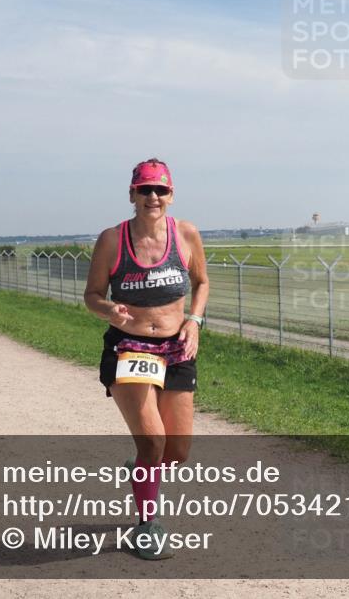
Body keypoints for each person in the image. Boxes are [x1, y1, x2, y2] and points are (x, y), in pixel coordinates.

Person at [83, 159, 209, 560]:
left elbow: (202, 282)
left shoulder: (186, 234)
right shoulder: (112, 239)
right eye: (144, 189)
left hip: (177, 349)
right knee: (153, 441)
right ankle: (147, 527)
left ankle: (142, 468)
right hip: (130, 347)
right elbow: (91, 295)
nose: (152, 197)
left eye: (160, 190)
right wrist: (108, 311)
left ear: (171, 195)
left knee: (177, 451)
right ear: (132, 194)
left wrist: (194, 321)